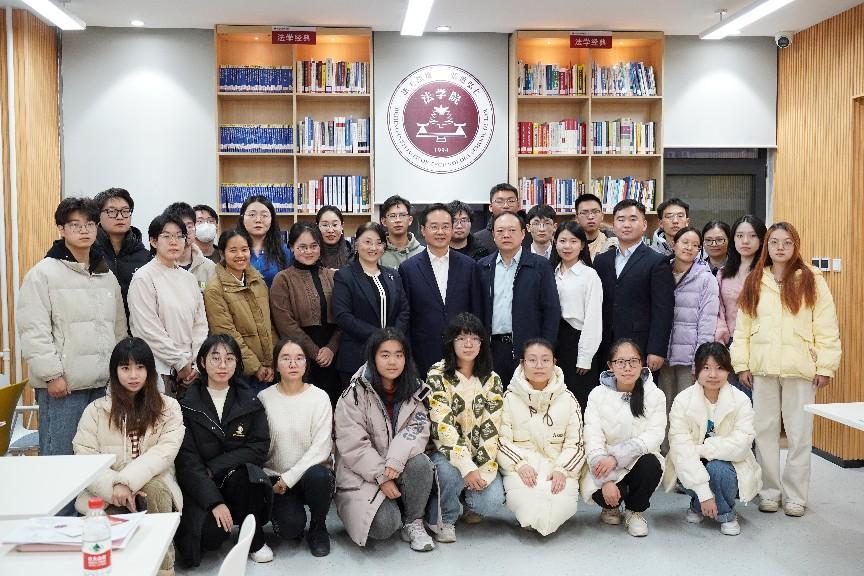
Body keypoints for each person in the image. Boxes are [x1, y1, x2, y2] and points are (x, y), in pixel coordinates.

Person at [17, 198, 127, 504]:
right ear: (61, 229)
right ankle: (56, 524)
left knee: (99, 464)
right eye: (75, 225)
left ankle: (91, 522)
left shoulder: (105, 274)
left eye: (89, 224)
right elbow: (33, 330)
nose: (84, 230)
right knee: (60, 461)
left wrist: (118, 374)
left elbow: (119, 329)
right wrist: (52, 374)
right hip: (64, 387)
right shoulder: (43, 273)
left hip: (103, 385)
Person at [731, 222, 841, 517]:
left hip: (800, 368)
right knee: (764, 432)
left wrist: (826, 365)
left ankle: (795, 496)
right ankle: (769, 492)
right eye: (775, 242)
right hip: (763, 367)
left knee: (799, 433)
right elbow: (742, 328)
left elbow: (826, 326)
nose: (780, 247)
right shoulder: (755, 279)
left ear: (796, 245)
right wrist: (742, 363)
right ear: (767, 246)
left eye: (787, 242)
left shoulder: (812, 279)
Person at [72, 337, 185, 575]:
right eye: (125, 368)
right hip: (107, 494)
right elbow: (85, 457)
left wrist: (127, 482)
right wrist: (115, 488)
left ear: (150, 371)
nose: (133, 375)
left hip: (154, 486)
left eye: (140, 367)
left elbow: (164, 453)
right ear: (115, 372)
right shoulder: (95, 411)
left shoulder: (169, 408)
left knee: (155, 489)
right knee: (107, 537)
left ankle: (164, 571)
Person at [333, 328, 436, 551]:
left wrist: (395, 461)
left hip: (396, 467)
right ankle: (394, 509)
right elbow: (354, 445)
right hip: (362, 474)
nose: (392, 362)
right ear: (373, 357)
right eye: (385, 355)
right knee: (384, 525)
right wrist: (382, 476)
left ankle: (413, 521)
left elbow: (417, 430)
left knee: (420, 463)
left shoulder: (415, 389)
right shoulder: (353, 394)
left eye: (399, 355)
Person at [174, 334, 272, 567]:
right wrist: (214, 502)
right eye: (215, 358)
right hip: (201, 484)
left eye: (229, 358)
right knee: (211, 538)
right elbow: (187, 462)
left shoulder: (250, 401)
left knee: (248, 476)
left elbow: (258, 448)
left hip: (235, 479)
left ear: (237, 363)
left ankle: (255, 540)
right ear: (202, 362)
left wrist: (215, 466)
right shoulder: (186, 405)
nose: (222, 365)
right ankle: (220, 518)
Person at [663, 342, 762, 537]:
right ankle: (700, 501)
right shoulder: (682, 400)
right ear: (697, 370)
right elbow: (681, 449)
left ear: (728, 370)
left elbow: (741, 444)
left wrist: (701, 449)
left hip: (728, 464)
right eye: (706, 368)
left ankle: (725, 515)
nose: (713, 375)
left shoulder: (741, 400)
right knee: (689, 464)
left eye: (719, 368)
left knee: (718, 469)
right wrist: (704, 493)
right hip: (690, 464)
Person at [424, 313, 505, 542]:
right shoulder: (437, 374)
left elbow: (492, 430)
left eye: (474, 338)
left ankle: (466, 500)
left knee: (491, 501)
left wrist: (481, 470)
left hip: (479, 456)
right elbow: (443, 427)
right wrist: (466, 467)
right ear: (451, 342)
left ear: (482, 342)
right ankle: (446, 518)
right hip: (444, 453)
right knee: (450, 472)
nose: (468, 344)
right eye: (461, 338)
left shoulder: (492, 379)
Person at [497, 339, 584, 535]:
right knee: (530, 502)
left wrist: (562, 469)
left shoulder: (568, 399)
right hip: (522, 465)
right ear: (522, 363)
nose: (539, 365)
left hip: (558, 464)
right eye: (532, 360)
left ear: (554, 363)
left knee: (559, 503)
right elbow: (501, 441)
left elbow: (577, 444)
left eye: (545, 360)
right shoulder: (509, 398)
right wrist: (520, 464)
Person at [581, 339, 666, 537]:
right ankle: (610, 507)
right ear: (610, 365)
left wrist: (617, 457)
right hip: (603, 463)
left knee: (651, 464)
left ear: (642, 363)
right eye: (620, 362)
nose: (627, 368)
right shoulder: (597, 395)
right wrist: (607, 481)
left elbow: (655, 434)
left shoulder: (655, 395)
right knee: (601, 487)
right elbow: (592, 436)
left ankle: (634, 512)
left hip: (636, 460)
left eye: (633, 361)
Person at [259, 338, 334, 557]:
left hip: (309, 475)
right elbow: (259, 445)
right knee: (289, 530)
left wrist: (290, 477)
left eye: (299, 358)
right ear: (276, 365)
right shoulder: (264, 398)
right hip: (277, 479)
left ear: (306, 364)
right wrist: (274, 480)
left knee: (320, 476)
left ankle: (318, 527)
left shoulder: (319, 397)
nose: (293, 364)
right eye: (286, 358)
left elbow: (321, 448)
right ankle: (294, 519)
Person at [398, 203, 484, 377]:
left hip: (463, 353)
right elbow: (406, 316)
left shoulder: (469, 266)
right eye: (434, 227)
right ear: (423, 230)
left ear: (452, 229)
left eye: (445, 226)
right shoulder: (408, 268)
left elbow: (477, 312)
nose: (440, 232)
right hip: (422, 352)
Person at [128, 213, 208, 396]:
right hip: (159, 370)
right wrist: (179, 362)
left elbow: (200, 325)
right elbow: (147, 329)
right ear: (153, 241)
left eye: (179, 236)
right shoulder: (143, 277)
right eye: (167, 236)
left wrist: (197, 363)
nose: (174, 242)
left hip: (191, 371)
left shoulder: (189, 278)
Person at [478, 211, 561, 387]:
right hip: (491, 349)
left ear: (523, 233)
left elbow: (551, 311)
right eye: (500, 231)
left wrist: (546, 349)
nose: (506, 235)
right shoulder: (482, 267)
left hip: (528, 349)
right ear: (493, 235)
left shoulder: (540, 266)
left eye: (512, 230)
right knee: (493, 396)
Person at [594, 199, 674, 374]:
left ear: (644, 225)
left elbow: (663, 310)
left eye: (632, 219)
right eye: (620, 219)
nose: (626, 224)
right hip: (605, 344)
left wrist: (657, 349)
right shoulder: (601, 261)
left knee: (639, 390)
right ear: (614, 225)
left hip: (640, 345)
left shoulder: (657, 261)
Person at [659, 227, 719, 450]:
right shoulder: (660, 271)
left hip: (689, 357)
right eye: (685, 242)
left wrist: (700, 361)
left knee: (688, 411)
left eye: (695, 245)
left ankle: (686, 458)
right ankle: (664, 456)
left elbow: (707, 322)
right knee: (663, 407)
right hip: (663, 354)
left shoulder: (706, 279)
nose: (690, 248)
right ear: (674, 244)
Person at [270, 223, 342, 405]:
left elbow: (344, 316)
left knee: (333, 405)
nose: (309, 251)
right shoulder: (283, 279)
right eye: (302, 247)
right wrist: (315, 353)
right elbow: (285, 324)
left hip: (334, 355)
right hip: (300, 356)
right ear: (291, 247)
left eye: (314, 246)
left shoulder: (333, 276)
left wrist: (332, 348)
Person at [332, 222, 410, 385]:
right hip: (356, 356)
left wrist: (392, 337)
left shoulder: (393, 275)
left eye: (378, 243)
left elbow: (404, 310)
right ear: (356, 244)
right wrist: (380, 337)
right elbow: (343, 316)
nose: (373, 247)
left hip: (391, 357)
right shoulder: (345, 276)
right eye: (367, 242)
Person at [203, 230, 276, 393]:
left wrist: (272, 362)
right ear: (222, 253)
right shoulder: (214, 290)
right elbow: (227, 333)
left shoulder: (258, 281)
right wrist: (255, 367)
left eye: (244, 249)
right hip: (238, 370)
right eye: (233, 250)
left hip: (266, 370)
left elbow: (270, 325)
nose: (240, 255)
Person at [550, 221, 602, 410]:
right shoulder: (550, 272)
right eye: (562, 241)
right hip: (554, 340)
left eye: (573, 241)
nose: (567, 246)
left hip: (577, 341)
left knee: (578, 399)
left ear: (582, 245)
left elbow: (593, 319)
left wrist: (585, 357)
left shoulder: (589, 275)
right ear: (555, 243)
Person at [715, 215, 767, 398]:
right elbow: (718, 311)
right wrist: (721, 342)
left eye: (752, 236)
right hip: (728, 344)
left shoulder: (767, 274)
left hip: (758, 345)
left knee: (754, 401)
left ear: (762, 240)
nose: (745, 241)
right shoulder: (723, 273)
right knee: (730, 401)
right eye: (739, 236)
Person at [93, 187, 152, 320]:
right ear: (98, 216)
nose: (120, 217)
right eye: (112, 211)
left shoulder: (145, 257)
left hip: (136, 328)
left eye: (125, 211)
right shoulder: (88, 253)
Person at [236, 195, 293, 287]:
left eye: (264, 215)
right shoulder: (233, 249)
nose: (258, 220)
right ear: (242, 218)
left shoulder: (284, 251)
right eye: (252, 215)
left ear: (272, 219)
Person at [163, 202, 216, 291]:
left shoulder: (210, 267)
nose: (186, 231)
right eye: (179, 226)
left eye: (189, 226)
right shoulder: (158, 267)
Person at [474, 183, 520, 255]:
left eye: (511, 201)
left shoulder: (530, 235)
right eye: (499, 201)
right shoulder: (477, 239)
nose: (506, 206)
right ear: (490, 207)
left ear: (518, 206)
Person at [379, 195, 425, 268]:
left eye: (402, 215)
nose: (398, 220)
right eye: (392, 216)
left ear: (410, 220)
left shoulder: (423, 253)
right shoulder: (377, 253)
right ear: (384, 221)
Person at [575, 193, 618, 261]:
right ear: (577, 218)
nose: (590, 217)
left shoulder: (613, 243)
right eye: (584, 213)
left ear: (602, 216)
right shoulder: (569, 243)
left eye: (595, 212)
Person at [316, 205, 353, 269]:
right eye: (325, 225)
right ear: (317, 227)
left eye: (335, 225)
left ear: (342, 226)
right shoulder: (310, 252)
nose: (330, 230)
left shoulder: (351, 252)